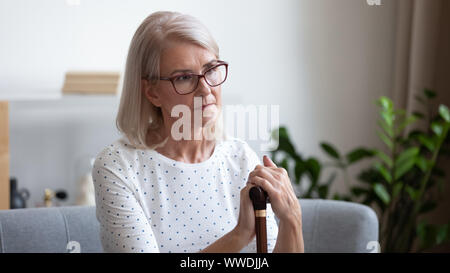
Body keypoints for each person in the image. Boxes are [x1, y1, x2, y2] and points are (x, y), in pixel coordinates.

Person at [92, 11, 304, 253]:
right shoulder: (118, 167)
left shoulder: (240, 157)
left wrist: (292, 219)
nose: (205, 89)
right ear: (152, 92)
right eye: (184, 77)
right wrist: (239, 236)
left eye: (211, 69)